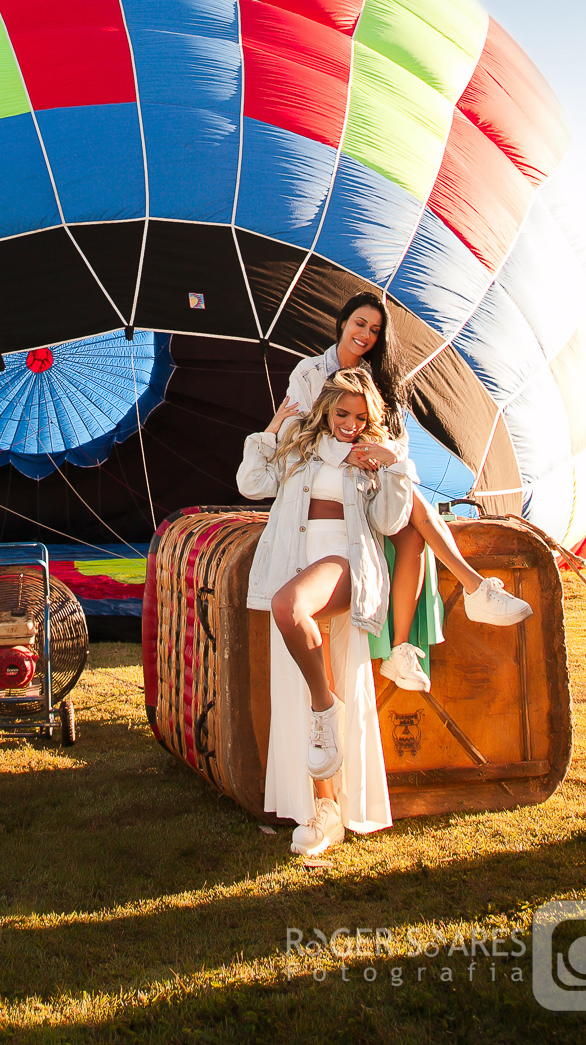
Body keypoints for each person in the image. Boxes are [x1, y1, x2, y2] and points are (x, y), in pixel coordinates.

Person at [275, 291, 532, 693]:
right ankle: (474, 587)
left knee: (412, 529)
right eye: (360, 323)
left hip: (370, 482)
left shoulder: (379, 382)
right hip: (326, 483)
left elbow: (399, 445)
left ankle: (400, 650)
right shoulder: (309, 373)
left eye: (375, 330)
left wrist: (384, 452)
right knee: (412, 500)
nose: (366, 335)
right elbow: (297, 433)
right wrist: (349, 453)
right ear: (342, 323)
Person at [238, 367, 408, 856]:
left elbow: (390, 521)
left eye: (360, 416)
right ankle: (324, 809)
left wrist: (391, 463)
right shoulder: (299, 446)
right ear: (327, 409)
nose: (350, 424)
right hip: (296, 562)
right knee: (308, 676)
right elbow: (251, 483)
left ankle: (324, 708)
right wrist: (272, 428)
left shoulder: (373, 456)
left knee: (287, 607)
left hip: (345, 563)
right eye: (341, 413)